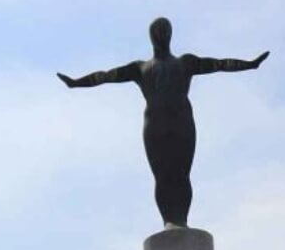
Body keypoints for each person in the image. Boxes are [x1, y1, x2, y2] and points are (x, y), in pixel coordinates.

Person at [58, 17, 268, 228]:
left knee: (182, 174)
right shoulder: (139, 68)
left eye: (165, 31)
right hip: (155, 126)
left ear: (170, 35)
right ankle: (169, 220)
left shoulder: (186, 63)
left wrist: (250, 65)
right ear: (152, 37)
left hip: (182, 123)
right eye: (158, 32)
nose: (161, 35)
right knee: (162, 176)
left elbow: (219, 64)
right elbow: (105, 76)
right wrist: (77, 83)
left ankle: (181, 220)